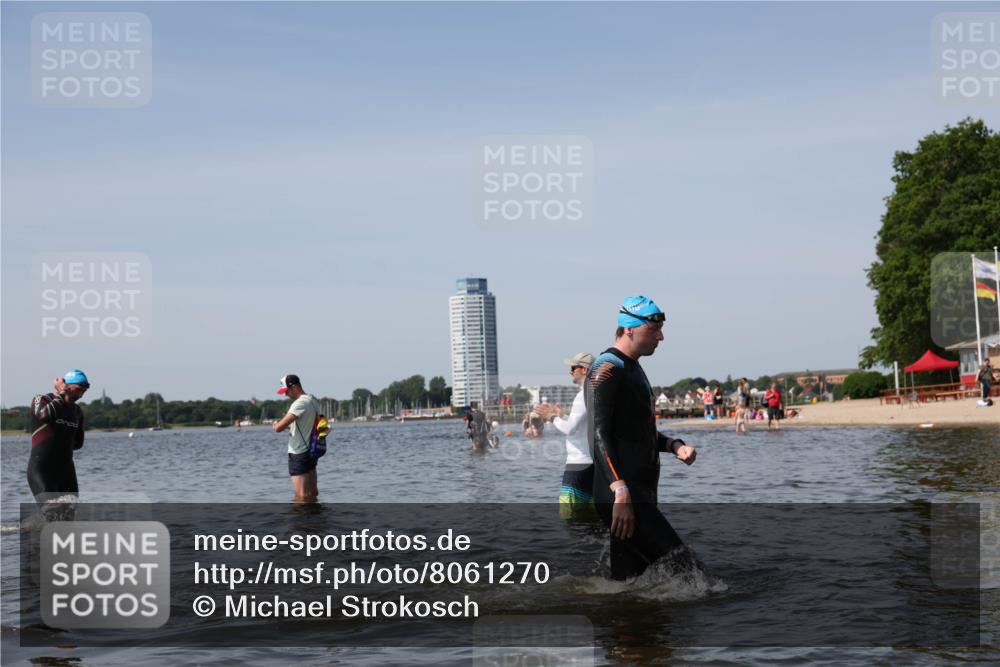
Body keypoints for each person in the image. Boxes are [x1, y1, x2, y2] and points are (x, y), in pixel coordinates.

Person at [586, 295, 697, 580]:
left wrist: (673, 445)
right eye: (653, 330)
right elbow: (598, 435)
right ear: (629, 329)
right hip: (623, 496)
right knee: (689, 573)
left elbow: (637, 432)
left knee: (628, 585)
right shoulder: (606, 369)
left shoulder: (632, 367)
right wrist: (620, 491)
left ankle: (621, 623)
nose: (661, 337)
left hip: (635, 493)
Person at [534, 352, 595, 513]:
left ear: (584, 370)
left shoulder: (582, 396)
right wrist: (563, 416)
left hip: (578, 464)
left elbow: (569, 429)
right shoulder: (595, 393)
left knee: (570, 515)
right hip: (593, 464)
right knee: (590, 517)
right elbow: (581, 425)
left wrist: (552, 417)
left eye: (573, 367)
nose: (570, 371)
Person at [27, 370, 89, 504]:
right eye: (79, 389)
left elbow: (78, 443)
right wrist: (62, 394)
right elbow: (43, 416)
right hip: (42, 469)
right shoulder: (42, 399)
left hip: (66, 472)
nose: (81, 394)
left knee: (69, 518)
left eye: (84, 390)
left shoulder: (77, 411)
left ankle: (34, 526)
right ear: (66, 386)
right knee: (52, 512)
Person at [272, 374, 321, 502]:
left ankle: (300, 521)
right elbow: (309, 426)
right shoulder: (313, 401)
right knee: (312, 493)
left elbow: (278, 428)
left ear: (294, 387)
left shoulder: (299, 403)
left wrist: (276, 424)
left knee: (301, 496)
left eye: (286, 391)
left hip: (298, 453)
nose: (285, 395)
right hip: (311, 451)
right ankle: (314, 520)